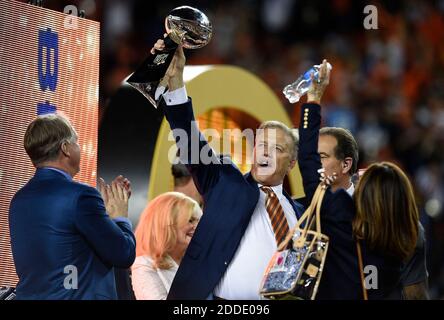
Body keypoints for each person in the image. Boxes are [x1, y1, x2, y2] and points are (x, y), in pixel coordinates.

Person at [150, 39, 304, 300]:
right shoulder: (225, 182)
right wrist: (176, 84)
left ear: (291, 164)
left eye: (277, 149)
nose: (265, 151)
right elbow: (190, 144)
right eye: (262, 144)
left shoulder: (301, 213)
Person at [298, 59, 428, 299]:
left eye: (364, 180)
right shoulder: (409, 232)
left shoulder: (341, 213)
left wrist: (314, 98)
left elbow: (307, 161)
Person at [9, 113, 136, 300]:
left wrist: (100, 213)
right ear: (66, 148)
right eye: (76, 142)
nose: (79, 148)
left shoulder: (18, 200)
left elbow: (65, 246)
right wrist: (119, 215)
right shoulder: (81, 196)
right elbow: (123, 253)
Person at [131, 192, 202, 300]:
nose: (198, 227)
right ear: (165, 224)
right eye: (190, 220)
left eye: (200, 221)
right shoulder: (145, 265)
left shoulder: (199, 261)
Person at [317, 127, 358, 195]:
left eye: (322, 157)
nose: (312, 162)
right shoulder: (299, 204)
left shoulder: (367, 204)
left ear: (346, 165)